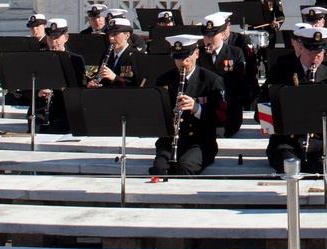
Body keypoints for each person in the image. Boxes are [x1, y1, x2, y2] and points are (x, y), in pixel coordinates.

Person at [264, 23, 327, 174]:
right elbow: (262, 107)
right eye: (310, 51)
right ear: (301, 47)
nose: (315, 57)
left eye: (319, 52)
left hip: (318, 143)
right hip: (286, 141)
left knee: (317, 170)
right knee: (288, 168)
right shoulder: (280, 71)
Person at [150, 35, 227, 177]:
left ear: (196, 54)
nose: (183, 62)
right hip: (170, 141)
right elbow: (153, 115)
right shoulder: (164, 80)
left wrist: (197, 108)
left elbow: (221, 117)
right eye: (178, 58)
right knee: (160, 169)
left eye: (186, 57)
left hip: (199, 142)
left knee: (185, 166)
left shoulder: (211, 80)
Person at [198, 11, 250, 135]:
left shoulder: (235, 53)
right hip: (205, 108)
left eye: (212, 35)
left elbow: (240, 83)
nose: (209, 39)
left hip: (228, 110)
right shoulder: (198, 54)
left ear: (222, 34)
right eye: (206, 35)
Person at [88, 15, 142, 87]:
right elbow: (102, 79)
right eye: (110, 35)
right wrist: (95, 82)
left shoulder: (137, 57)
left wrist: (115, 78)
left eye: (115, 34)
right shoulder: (106, 55)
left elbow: (138, 85)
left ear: (127, 35)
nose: (111, 38)